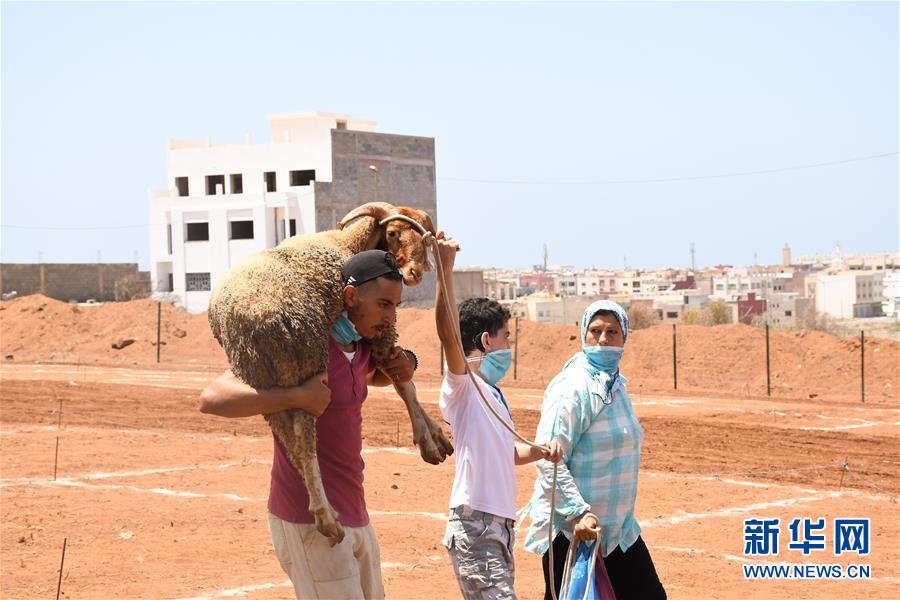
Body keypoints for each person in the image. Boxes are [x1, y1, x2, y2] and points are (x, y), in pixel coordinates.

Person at [199, 249, 417, 600]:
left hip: (356, 515)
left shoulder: (359, 348)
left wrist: (410, 361)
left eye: (395, 306)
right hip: (310, 518)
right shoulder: (303, 349)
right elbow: (211, 398)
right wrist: (295, 395)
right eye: (383, 305)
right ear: (350, 296)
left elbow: (367, 377)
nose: (391, 317)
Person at [432, 231, 561, 600]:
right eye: (507, 337)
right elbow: (448, 335)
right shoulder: (464, 387)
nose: (510, 346)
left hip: (500, 526)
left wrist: (538, 450)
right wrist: (444, 269)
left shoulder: (493, 395)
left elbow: (505, 455)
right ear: (487, 341)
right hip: (476, 524)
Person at [524, 299, 666, 600]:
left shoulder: (615, 385)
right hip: (575, 533)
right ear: (583, 335)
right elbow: (549, 460)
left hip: (617, 533)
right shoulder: (572, 388)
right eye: (595, 331)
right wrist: (579, 514)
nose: (603, 339)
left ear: (624, 338)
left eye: (613, 332)